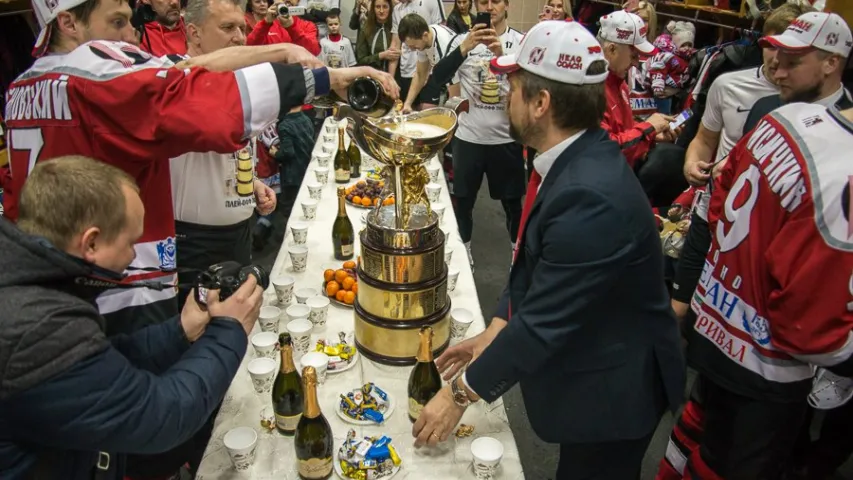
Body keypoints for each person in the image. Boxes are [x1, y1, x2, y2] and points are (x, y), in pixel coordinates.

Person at [3, 0, 397, 336]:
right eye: (117, 22)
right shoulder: (97, 73)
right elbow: (204, 102)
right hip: (120, 277)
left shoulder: (25, 84)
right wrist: (324, 78)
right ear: (69, 22)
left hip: (55, 277)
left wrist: (282, 52)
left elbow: (194, 66)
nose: (131, 37)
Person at [412, 21, 685, 479]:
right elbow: (531, 261)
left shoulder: (590, 196)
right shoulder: (568, 158)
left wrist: (458, 395)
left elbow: (544, 323)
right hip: (591, 361)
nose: (503, 95)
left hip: (614, 392)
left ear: (541, 104)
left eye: (512, 86)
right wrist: (497, 325)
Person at [0, 156, 263, 479]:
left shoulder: (30, 280)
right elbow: (162, 416)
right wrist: (229, 331)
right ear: (91, 242)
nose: (133, 255)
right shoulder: (35, 327)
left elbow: (105, 365)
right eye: (130, 242)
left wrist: (179, 331)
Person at [663, 98, 853, 479]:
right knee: (734, 461)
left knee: (698, 433)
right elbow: (808, 327)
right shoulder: (843, 171)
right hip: (768, 361)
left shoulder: (784, 117)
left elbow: (714, 203)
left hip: (719, 321)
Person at [170, 0, 277, 311]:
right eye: (228, 28)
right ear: (194, 32)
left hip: (240, 229)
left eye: (242, 28)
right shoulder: (173, 74)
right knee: (202, 333)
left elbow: (231, 151)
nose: (240, 38)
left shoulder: (235, 80)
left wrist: (254, 184)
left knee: (238, 324)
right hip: (196, 241)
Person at [443, 0, 525, 267]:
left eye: (496, 1)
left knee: (513, 205)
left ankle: (517, 253)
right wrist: (465, 48)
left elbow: (527, 90)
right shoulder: (460, 40)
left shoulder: (521, 42)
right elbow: (440, 78)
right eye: (483, 2)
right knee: (463, 202)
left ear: (507, 5)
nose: (489, 7)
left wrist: (502, 56)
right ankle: (464, 251)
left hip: (506, 138)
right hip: (469, 138)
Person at [598, 10, 674, 168]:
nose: (636, 63)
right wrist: (648, 128)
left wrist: (652, 135)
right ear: (612, 50)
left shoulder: (620, 84)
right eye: (633, 56)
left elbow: (621, 129)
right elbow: (605, 149)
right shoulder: (591, 90)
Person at [387, 0, 445, 104]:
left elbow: (439, 34)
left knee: (427, 113)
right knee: (407, 111)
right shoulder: (397, 9)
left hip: (430, 70)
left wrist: (427, 72)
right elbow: (395, 45)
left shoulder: (432, 2)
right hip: (406, 71)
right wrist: (390, 79)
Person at [397, 13, 456, 112]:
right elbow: (420, 74)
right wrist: (407, 104)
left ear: (424, 36)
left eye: (414, 47)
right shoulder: (425, 37)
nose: (412, 50)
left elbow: (455, 94)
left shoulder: (443, 48)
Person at [245, 0, 320, 54]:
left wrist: (291, 27)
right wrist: (265, 23)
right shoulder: (267, 24)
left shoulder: (308, 25)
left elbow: (313, 51)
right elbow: (250, 48)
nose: (286, 1)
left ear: (298, 1)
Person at [355, 0, 398, 70]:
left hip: (395, 75)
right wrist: (381, 55)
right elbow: (361, 60)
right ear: (373, 9)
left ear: (390, 8)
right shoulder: (365, 29)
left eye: (385, 7)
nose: (381, 11)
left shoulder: (396, 29)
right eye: (378, 7)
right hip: (371, 74)